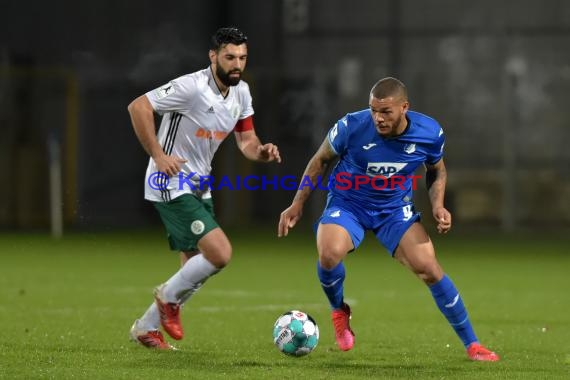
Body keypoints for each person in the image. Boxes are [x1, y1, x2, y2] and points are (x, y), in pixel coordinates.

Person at [278, 77, 499, 361]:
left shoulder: (429, 133)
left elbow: (436, 170)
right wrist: (297, 204)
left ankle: (473, 345)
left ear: (404, 107)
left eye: (386, 112)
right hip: (348, 204)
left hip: (394, 210)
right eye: (373, 110)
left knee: (429, 268)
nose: (378, 118)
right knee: (329, 253)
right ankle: (338, 311)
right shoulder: (351, 126)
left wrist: (438, 205)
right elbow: (320, 160)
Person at [127, 27, 281, 350]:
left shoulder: (242, 93)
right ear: (213, 57)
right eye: (230, 57)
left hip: (199, 184)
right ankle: (167, 300)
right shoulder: (192, 87)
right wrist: (158, 154)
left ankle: (146, 327)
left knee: (194, 270)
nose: (237, 64)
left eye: (242, 58)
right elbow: (138, 107)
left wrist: (262, 151)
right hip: (168, 181)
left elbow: (246, 140)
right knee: (220, 253)